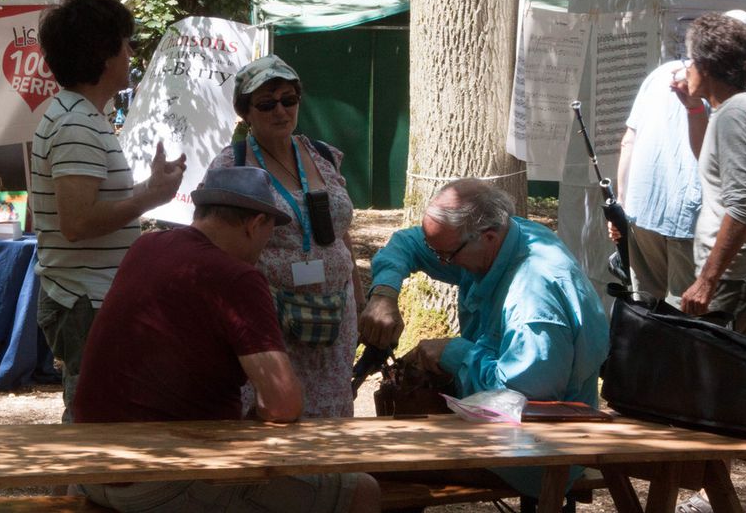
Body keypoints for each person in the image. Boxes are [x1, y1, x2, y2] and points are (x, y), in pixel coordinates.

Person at [73, 166, 380, 513]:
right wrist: (258, 413)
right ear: (255, 223)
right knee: (362, 491)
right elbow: (284, 403)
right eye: (270, 232)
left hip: (91, 467)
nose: (266, 247)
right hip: (164, 480)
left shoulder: (146, 245)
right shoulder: (237, 278)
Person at [358, 178, 609, 497]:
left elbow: (525, 399)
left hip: (537, 451)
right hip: (491, 429)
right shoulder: (500, 239)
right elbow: (408, 244)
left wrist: (453, 352)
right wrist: (384, 293)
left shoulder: (534, 298)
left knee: (378, 465)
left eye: (446, 256)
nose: (442, 263)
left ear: (488, 237)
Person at [31, 0, 186, 421]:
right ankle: (78, 488)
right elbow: (77, 222)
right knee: (92, 416)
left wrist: (148, 187)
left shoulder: (78, 116)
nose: (131, 52)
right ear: (102, 53)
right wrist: (149, 196)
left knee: (96, 410)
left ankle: (81, 486)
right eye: (125, 41)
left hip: (86, 297)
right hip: (85, 301)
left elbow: (84, 210)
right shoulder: (76, 123)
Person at [208, 54, 363, 418]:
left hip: (336, 314)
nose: (280, 111)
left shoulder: (324, 156)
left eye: (288, 100)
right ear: (246, 112)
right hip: (270, 315)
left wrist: (356, 286)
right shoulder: (233, 164)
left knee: (332, 411)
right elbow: (215, 242)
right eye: (266, 103)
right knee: (276, 410)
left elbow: (342, 232)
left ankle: (333, 475)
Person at [672, 12, 746, 335]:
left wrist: (706, 281)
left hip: (734, 277)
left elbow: (742, 207)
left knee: (716, 378)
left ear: (706, 67)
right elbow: (708, 162)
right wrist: (694, 108)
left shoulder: (735, 115)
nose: (687, 69)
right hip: (734, 275)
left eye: (692, 61)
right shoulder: (734, 110)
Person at [609, 59, 701, 304]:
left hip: (642, 210)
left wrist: (621, 204)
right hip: (689, 216)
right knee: (683, 316)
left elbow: (628, 140)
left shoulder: (659, 74)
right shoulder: (722, 83)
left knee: (645, 310)